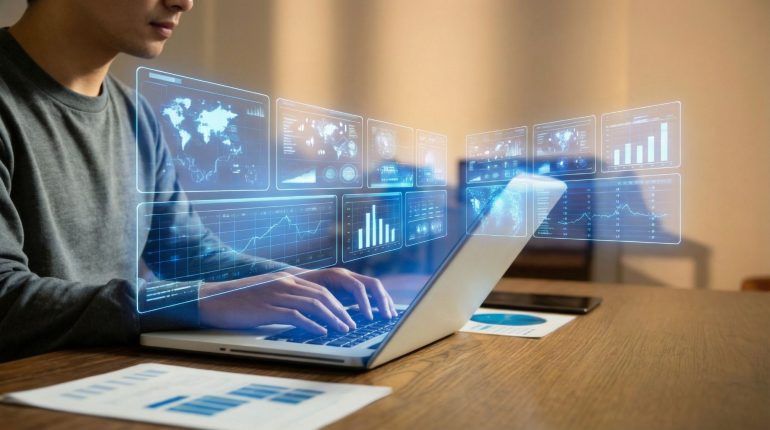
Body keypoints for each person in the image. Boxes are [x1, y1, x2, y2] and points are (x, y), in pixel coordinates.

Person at [0, 0, 396, 362]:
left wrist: (296, 282)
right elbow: (6, 301)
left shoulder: (134, 113)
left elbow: (185, 254)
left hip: (105, 377)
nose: (184, 3)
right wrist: (202, 300)